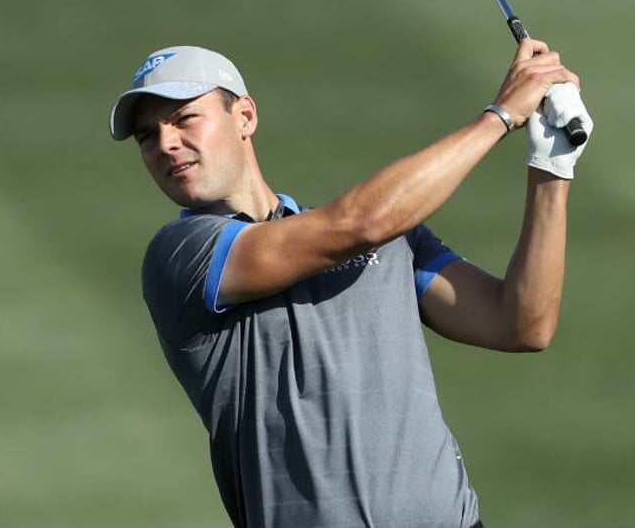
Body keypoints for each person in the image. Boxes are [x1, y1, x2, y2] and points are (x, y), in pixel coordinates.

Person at [108, 40, 592, 528]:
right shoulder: (181, 254)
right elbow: (360, 224)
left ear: (245, 117)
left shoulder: (391, 240)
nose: (165, 143)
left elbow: (520, 325)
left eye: (185, 118)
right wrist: (499, 117)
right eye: (148, 135)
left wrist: (552, 170)